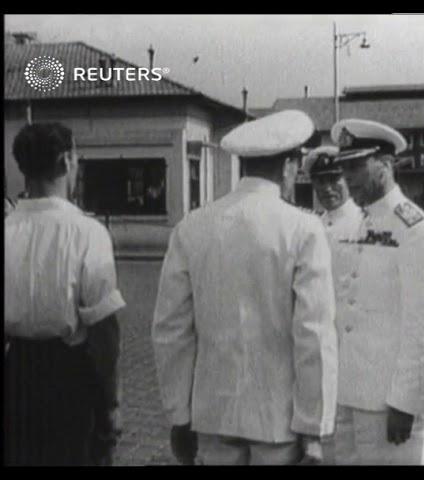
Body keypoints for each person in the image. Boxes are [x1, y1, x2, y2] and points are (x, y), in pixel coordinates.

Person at [152, 110, 338, 466]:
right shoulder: (303, 229)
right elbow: (313, 334)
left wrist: (179, 414)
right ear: (288, 165)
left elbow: (171, 330)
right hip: (277, 421)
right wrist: (313, 429)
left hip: (212, 415)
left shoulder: (192, 227)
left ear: (243, 165)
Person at [323, 118, 424, 465]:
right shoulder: (356, 224)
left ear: (386, 163)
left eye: (357, 166)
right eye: (344, 167)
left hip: (389, 401)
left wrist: (406, 401)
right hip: (350, 394)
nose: (348, 177)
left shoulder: (416, 230)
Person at [4, 122, 125, 466]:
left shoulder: (7, 230)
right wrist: (112, 405)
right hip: (69, 380)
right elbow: (105, 331)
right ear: (65, 161)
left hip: (15, 375)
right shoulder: (88, 233)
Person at [304, 145, 363, 242]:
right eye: (320, 181)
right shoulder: (313, 224)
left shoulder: (362, 222)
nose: (327, 188)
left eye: (333, 179)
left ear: (348, 180)